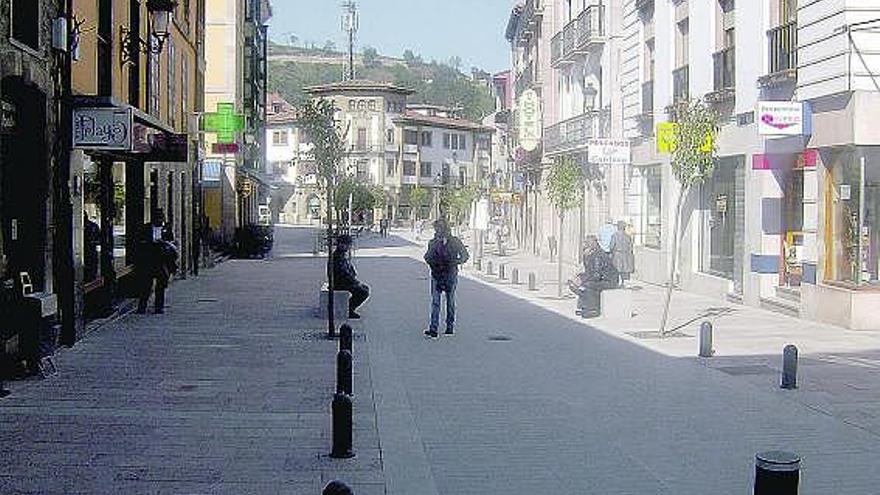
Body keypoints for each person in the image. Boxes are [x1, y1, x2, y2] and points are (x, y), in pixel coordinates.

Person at [423, 218, 469, 339]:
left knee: (449, 301)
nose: (438, 231)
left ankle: (448, 326)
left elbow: (465, 256)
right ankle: (434, 328)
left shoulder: (454, 242)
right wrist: (433, 263)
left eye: (439, 228)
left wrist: (454, 262)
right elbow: (427, 256)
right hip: (437, 274)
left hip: (449, 274)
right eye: (436, 228)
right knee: (437, 302)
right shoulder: (433, 242)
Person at [135, 209, 177, 314]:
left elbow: (172, 242)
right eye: (157, 217)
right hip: (149, 260)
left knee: (161, 286)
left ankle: (159, 307)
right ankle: (142, 307)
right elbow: (139, 242)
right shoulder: (146, 228)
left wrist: (165, 243)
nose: (159, 220)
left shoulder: (166, 228)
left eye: (161, 217)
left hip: (162, 261)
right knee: (146, 285)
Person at [570, 235, 619, 318]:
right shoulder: (591, 254)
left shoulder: (598, 255)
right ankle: (584, 306)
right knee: (578, 285)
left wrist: (583, 280)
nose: (584, 245)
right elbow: (589, 271)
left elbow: (596, 275)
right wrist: (580, 277)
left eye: (586, 243)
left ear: (592, 244)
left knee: (588, 285)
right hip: (601, 278)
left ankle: (593, 309)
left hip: (609, 280)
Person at [332, 234, 370, 319]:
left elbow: (348, 269)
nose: (349, 247)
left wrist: (354, 279)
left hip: (342, 281)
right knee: (363, 292)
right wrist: (355, 282)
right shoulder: (338, 256)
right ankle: (349, 310)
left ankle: (348, 308)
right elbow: (343, 274)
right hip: (339, 283)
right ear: (341, 244)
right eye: (348, 244)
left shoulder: (341, 254)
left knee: (364, 288)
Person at [609, 220, 635, 287]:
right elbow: (631, 247)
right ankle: (624, 282)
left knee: (617, 269)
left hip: (617, 254)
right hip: (626, 254)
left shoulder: (614, 235)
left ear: (618, 227)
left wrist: (612, 252)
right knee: (625, 269)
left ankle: (617, 283)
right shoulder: (628, 236)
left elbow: (611, 246)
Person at [83, 212, 100, 283]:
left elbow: (99, 239)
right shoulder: (94, 226)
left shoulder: (93, 226)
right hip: (91, 249)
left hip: (90, 249)